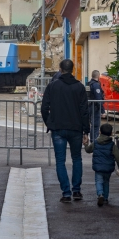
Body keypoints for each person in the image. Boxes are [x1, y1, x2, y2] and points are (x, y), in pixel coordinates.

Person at [41, 59, 90, 202]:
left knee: (60, 161)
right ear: (72, 69)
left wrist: (49, 122)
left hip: (58, 128)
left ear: (60, 69)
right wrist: (85, 131)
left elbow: (44, 108)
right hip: (76, 128)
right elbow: (84, 111)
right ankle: (77, 191)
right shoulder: (79, 87)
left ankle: (66, 193)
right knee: (77, 159)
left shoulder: (53, 86)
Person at [84, 123, 119, 207]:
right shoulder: (112, 145)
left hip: (98, 167)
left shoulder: (96, 143)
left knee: (98, 181)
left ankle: (100, 194)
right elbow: (117, 156)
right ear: (111, 133)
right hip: (108, 168)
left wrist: (85, 144)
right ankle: (105, 198)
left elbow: (88, 150)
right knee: (106, 182)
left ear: (99, 132)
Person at [87, 70, 105, 140]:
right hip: (95, 107)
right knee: (95, 125)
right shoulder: (96, 85)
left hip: (89, 106)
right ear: (98, 76)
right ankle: (94, 142)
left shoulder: (89, 83)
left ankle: (92, 141)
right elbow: (98, 99)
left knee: (92, 125)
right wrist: (102, 111)